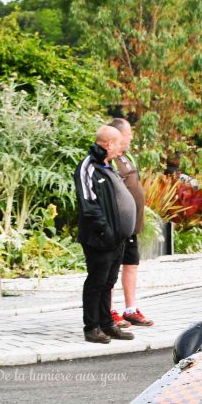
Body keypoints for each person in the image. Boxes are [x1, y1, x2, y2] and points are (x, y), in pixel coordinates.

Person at [75, 125, 137, 344]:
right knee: (96, 282)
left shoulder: (107, 165)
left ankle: (106, 323)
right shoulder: (88, 167)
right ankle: (91, 327)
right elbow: (89, 205)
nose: (121, 148)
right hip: (99, 238)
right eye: (119, 143)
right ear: (109, 144)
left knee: (108, 282)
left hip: (117, 238)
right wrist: (106, 231)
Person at [106, 118, 153, 328]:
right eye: (128, 134)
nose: (131, 137)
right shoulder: (110, 161)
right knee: (111, 268)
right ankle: (109, 310)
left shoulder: (125, 157)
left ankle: (130, 309)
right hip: (118, 224)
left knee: (131, 263)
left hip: (132, 224)